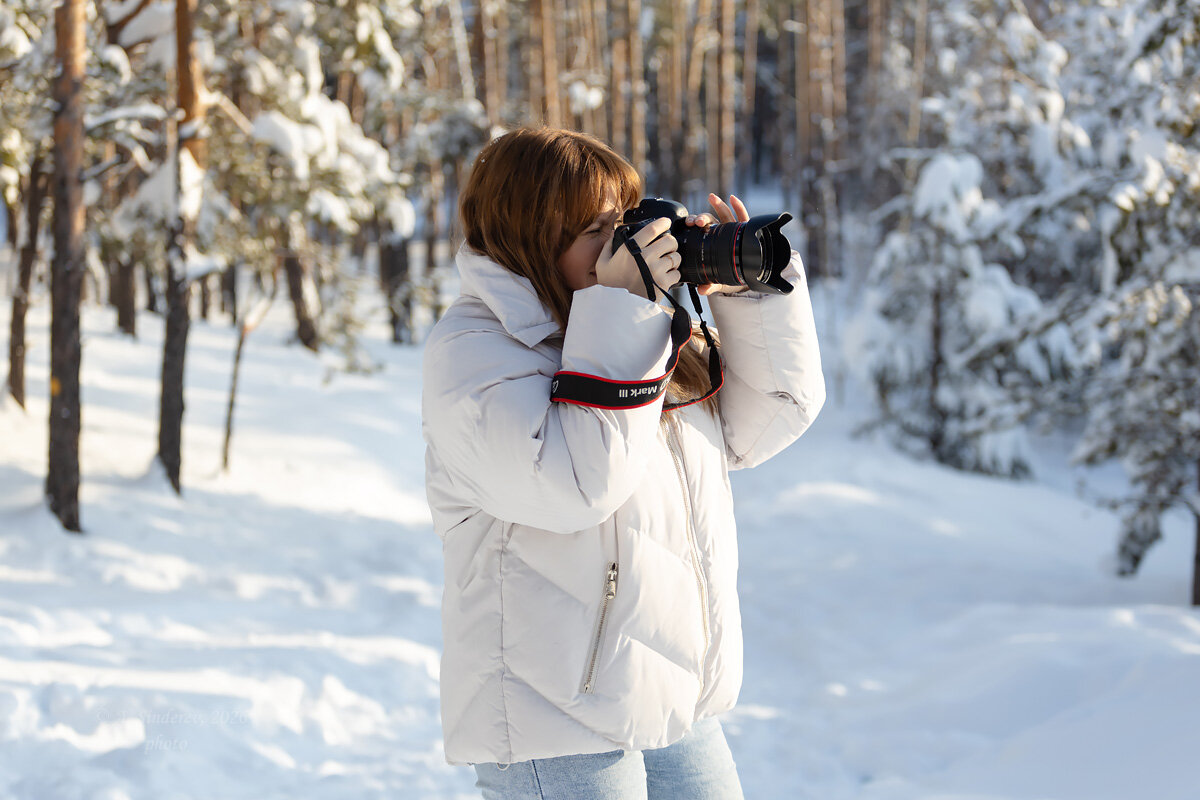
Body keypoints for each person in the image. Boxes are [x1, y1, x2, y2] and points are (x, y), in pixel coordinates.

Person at [421, 126, 825, 800]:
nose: (627, 246)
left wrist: (746, 296)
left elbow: (762, 423)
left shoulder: (635, 328)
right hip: (553, 713)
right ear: (530, 233)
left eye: (628, 223)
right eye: (599, 229)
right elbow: (574, 487)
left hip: (666, 690)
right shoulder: (476, 350)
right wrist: (621, 311)